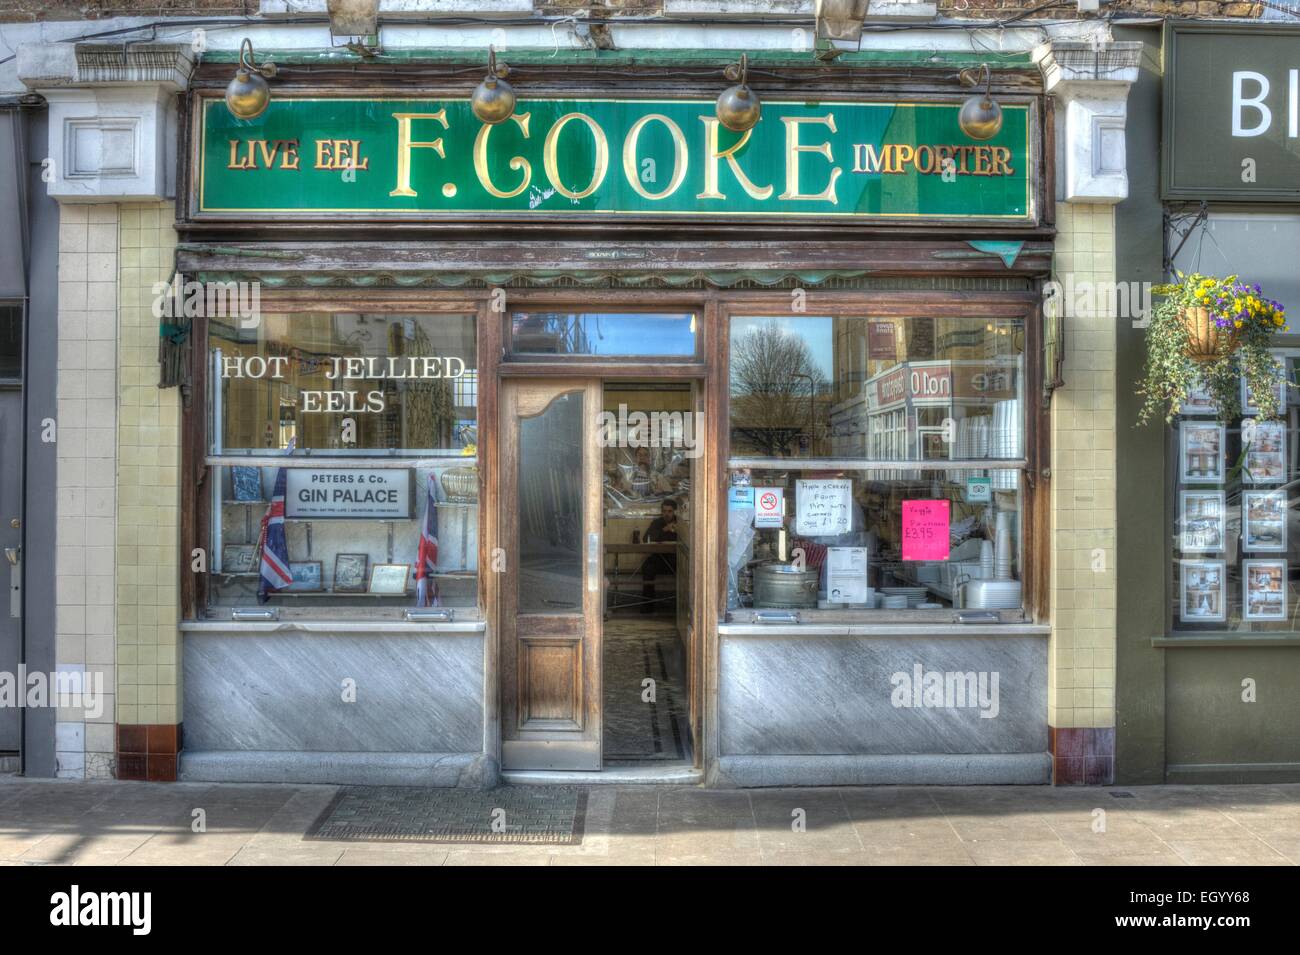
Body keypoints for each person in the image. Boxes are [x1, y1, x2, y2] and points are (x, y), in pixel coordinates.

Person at [640, 498, 679, 613]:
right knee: (647, 568)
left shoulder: (680, 523)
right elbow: (646, 538)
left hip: (675, 559)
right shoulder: (657, 522)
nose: (666, 514)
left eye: (669, 511)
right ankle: (647, 606)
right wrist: (664, 530)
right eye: (664, 511)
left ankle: (681, 608)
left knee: (689, 570)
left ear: (675, 512)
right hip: (658, 558)